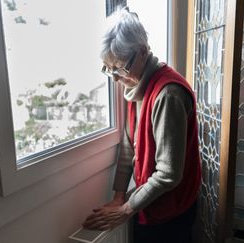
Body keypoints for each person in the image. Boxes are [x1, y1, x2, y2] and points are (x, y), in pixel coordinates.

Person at [83, 7, 201, 243]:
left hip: (173, 208)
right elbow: (128, 148)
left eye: (120, 68)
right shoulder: (135, 89)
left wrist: (126, 209)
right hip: (150, 201)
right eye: (109, 69)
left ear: (144, 51)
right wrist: (118, 198)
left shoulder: (168, 95)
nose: (116, 78)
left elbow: (168, 174)